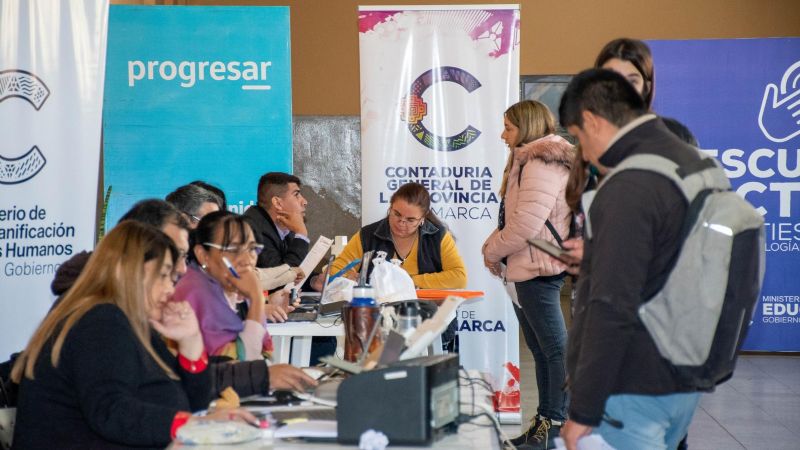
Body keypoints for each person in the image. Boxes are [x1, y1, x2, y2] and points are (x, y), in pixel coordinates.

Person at [11, 221, 256, 449]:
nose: (170, 289)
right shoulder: (100, 320)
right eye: (162, 275)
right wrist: (194, 424)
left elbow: (190, 404)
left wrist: (191, 342)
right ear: (127, 272)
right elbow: (111, 410)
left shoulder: (129, 320)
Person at [558, 68, 702, 450]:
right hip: (677, 370)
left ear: (592, 121)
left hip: (632, 377)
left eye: (578, 138)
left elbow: (612, 307)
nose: (584, 154)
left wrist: (583, 411)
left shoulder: (632, 187)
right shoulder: (683, 176)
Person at [481, 100, 574, 449]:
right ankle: (545, 420)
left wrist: (493, 250)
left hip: (538, 266)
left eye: (508, 127)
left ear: (527, 126)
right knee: (541, 348)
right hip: (528, 265)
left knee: (553, 350)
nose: (503, 135)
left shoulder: (540, 161)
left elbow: (526, 223)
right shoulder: (532, 158)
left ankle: (554, 424)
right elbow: (517, 218)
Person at [174, 211, 279, 361]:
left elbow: (263, 353)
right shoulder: (193, 292)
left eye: (251, 249)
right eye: (233, 250)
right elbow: (242, 363)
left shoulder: (235, 286)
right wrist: (257, 299)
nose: (247, 260)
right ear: (203, 255)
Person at [328, 182, 467, 289]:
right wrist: (348, 276)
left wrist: (408, 281)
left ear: (423, 218)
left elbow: (459, 278)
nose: (401, 223)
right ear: (390, 207)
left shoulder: (438, 236)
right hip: (379, 313)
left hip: (430, 313)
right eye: (396, 214)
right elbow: (336, 268)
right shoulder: (368, 235)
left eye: (410, 220)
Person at [244, 172, 310, 269]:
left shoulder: (286, 226)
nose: (305, 202)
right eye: (296, 195)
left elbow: (297, 271)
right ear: (277, 203)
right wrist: (301, 234)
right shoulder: (253, 230)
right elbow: (280, 279)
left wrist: (314, 280)